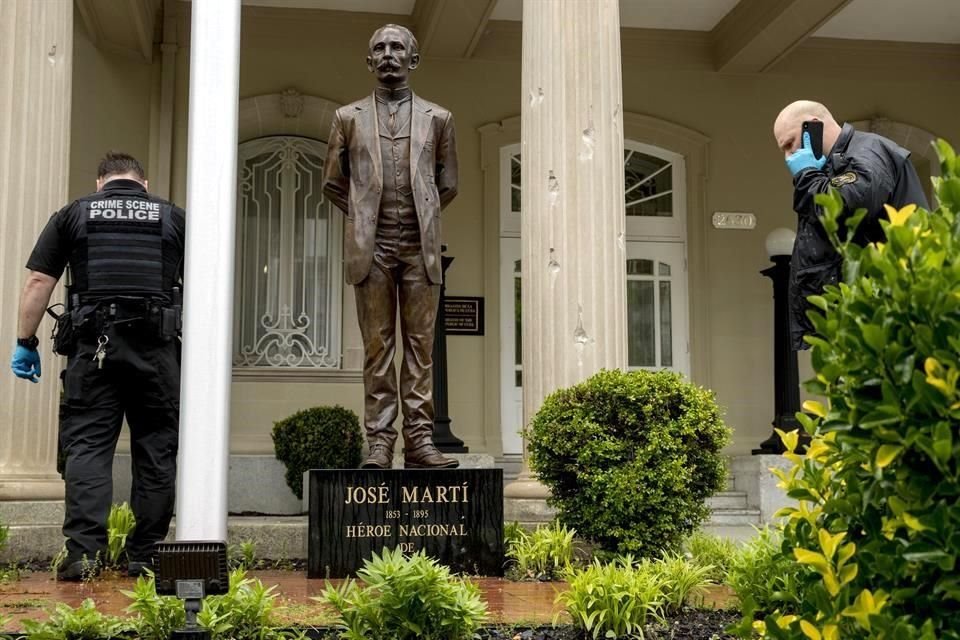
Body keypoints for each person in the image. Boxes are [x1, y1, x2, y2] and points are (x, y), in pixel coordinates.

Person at [10, 152, 185, 580]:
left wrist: (25, 342)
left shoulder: (74, 214)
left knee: (87, 449)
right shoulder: (173, 218)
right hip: (157, 351)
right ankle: (144, 556)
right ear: (143, 184)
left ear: (99, 182)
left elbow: (38, 281)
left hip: (94, 350)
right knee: (156, 452)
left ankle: (84, 557)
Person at [322, 24, 459, 470]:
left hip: (421, 248)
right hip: (372, 249)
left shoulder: (439, 119)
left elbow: (447, 183)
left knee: (420, 349)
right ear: (369, 60)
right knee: (378, 349)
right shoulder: (347, 117)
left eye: (397, 47)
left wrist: (422, 215)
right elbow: (333, 182)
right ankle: (379, 442)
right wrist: (365, 213)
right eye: (378, 48)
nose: (387, 54)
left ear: (413, 60)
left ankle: (419, 441)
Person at [772, 100, 928, 350]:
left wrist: (808, 177)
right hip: (855, 317)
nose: (789, 157)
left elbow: (845, 205)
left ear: (812, 128)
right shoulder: (832, 166)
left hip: (882, 314)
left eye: (790, 144)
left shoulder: (867, 152)